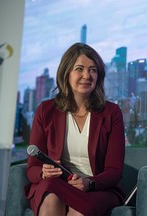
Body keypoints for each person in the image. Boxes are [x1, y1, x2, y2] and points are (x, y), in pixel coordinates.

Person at [24, 43, 126, 216]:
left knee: (79, 210)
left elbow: (114, 171)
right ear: (67, 73)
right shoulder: (45, 110)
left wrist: (89, 183)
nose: (87, 75)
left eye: (93, 70)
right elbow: (32, 168)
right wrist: (43, 172)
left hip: (96, 189)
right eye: (79, 69)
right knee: (50, 195)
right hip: (56, 184)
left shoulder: (111, 112)